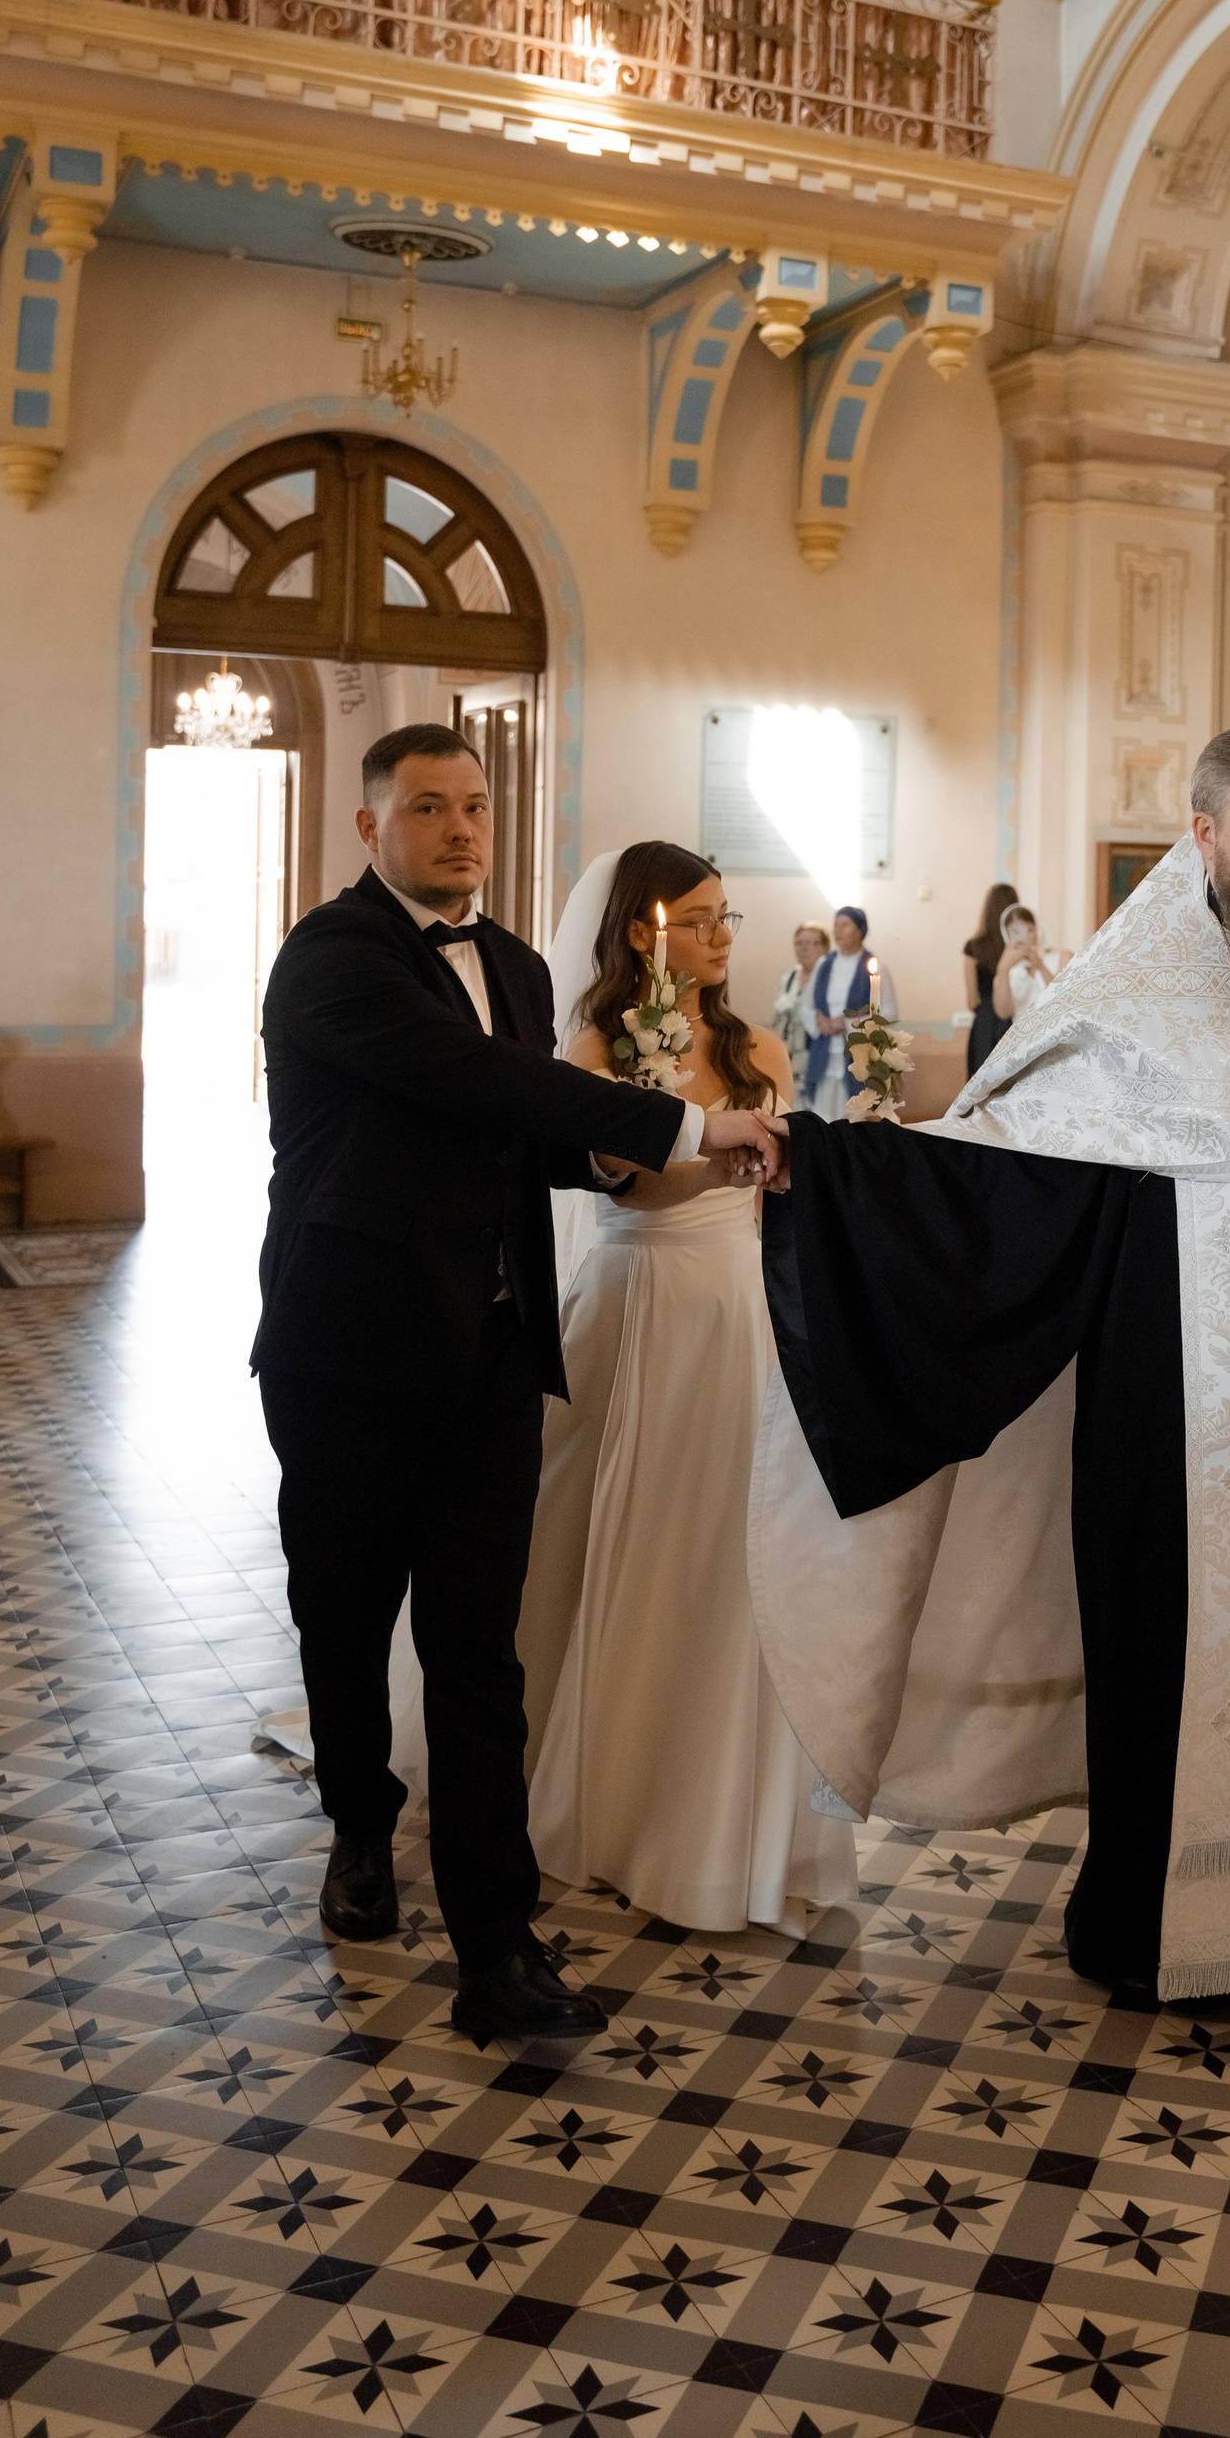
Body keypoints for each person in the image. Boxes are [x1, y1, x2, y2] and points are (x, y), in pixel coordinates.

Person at [752, 724, 1230, 2036]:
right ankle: (1162, 1937)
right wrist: (822, 1166)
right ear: (1203, 835)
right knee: (1177, 1660)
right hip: (1181, 1421)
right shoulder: (1122, 1009)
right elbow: (1002, 1178)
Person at [252, 727, 779, 2041]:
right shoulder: (333, 957)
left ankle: (497, 1944)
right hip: (350, 1352)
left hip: (493, 1350)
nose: (461, 829)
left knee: (480, 1649)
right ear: (371, 828)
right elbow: (474, 1079)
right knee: (344, 1614)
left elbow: (516, 1134)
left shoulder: (519, 966)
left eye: (476, 806)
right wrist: (684, 1122)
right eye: (429, 807)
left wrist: (605, 1164)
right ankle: (360, 1823)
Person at [509, 844, 856, 1932]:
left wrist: (804, 1163)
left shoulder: (757, 1046)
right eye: (698, 919)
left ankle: (717, 1808)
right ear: (642, 932)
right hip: (640, 1299)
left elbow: (777, 1184)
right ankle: (598, 1783)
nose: (718, 937)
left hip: (738, 1307)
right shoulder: (594, 1044)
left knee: (728, 1550)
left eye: (725, 917)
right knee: (613, 1535)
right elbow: (618, 1179)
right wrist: (713, 1155)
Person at [805, 905, 896, 1119]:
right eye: (835, 924)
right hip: (825, 1051)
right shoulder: (823, 964)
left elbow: (889, 1012)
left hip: (858, 1052)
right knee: (823, 1114)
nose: (838, 930)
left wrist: (847, 1024)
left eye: (845, 924)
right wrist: (818, 1020)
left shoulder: (875, 966)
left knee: (854, 1115)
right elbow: (806, 1005)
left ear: (860, 930)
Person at [962, 881, 1018, 1076]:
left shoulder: (973, 947)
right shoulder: (1017, 947)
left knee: (982, 1084)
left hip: (985, 1024)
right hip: (1014, 1019)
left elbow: (972, 1001)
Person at [771, 920, 830, 1097]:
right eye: (799, 943)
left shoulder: (828, 980)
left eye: (810, 943)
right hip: (789, 1059)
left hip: (818, 1059)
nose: (803, 948)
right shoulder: (789, 978)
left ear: (825, 947)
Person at [992, 904, 1059, 1024]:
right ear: (1007, 935)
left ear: (1038, 929)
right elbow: (1004, 1013)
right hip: (1023, 1032)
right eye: (1015, 932)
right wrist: (1004, 970)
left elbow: (1064, 998)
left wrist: (1039, 965)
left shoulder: (1059, 957)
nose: (1023, 937)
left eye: (1029, 930)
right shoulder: (1007, 971)